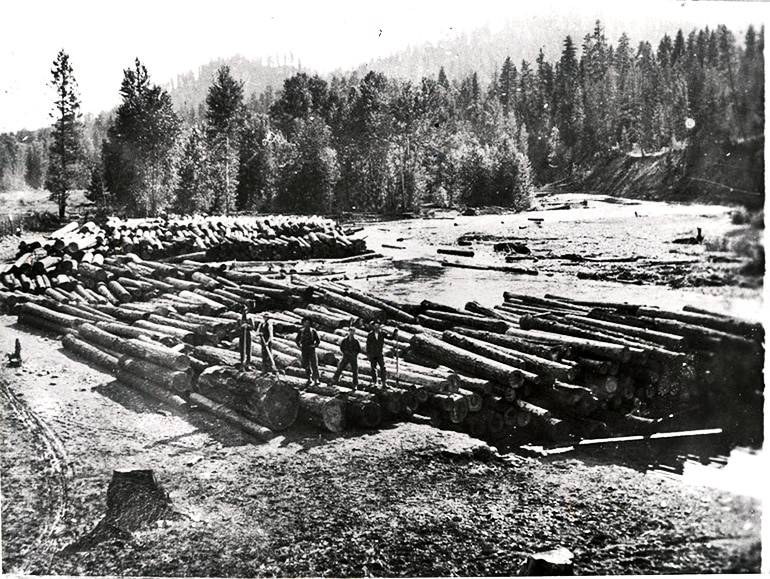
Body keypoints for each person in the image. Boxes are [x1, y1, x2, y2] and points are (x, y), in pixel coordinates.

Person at [295, 317, 320, 385]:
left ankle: (316, 379)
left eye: (308, 323)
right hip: (304, 349)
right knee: (306, 364)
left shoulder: (313, 331)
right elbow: (297, 340)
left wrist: (314, 346)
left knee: (314, 364)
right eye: (305, 323)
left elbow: (318, 341)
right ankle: (309, 378)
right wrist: (299, 345)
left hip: (311, 349)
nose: (306, 324)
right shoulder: (301, 331)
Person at [366, 320, 388, 386]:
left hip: (380, 353)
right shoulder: (370, 335)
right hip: (373, 354)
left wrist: (395, 333)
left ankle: (384, 382)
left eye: (378, 325)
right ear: (373, 327)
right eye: (375, 325)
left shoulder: (382, 333)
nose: (376, 327)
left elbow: (390, 337)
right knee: (373, 368)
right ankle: (375, 382)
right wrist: (368, 354)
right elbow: (368, 345)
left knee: (383, 368)